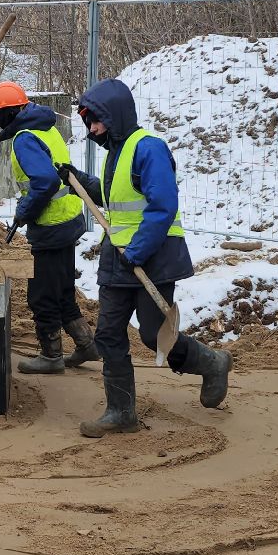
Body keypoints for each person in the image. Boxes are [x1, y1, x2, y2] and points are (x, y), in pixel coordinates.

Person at [55, 78, 230, 437]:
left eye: (95, 120)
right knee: (108, 334)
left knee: (153, 334)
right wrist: (77, 179)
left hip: (153, 256)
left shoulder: (148, 148)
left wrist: (137, 251)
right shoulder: (115, 154)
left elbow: (163, 206)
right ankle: (120, 411)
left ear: (114, 115)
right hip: (118, 260)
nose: (92, 129)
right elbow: (113, 200)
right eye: (88, 123)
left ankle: (212, 363)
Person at [0, 81, 98, 373]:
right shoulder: (45, 128)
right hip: (68, 220)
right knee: (62, 290)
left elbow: (46, 182)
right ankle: (86, 345)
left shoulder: (24, 138)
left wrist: (25, 209)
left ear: (6, 114)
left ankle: (51, 357)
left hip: (50, 226)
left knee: (41, 295)